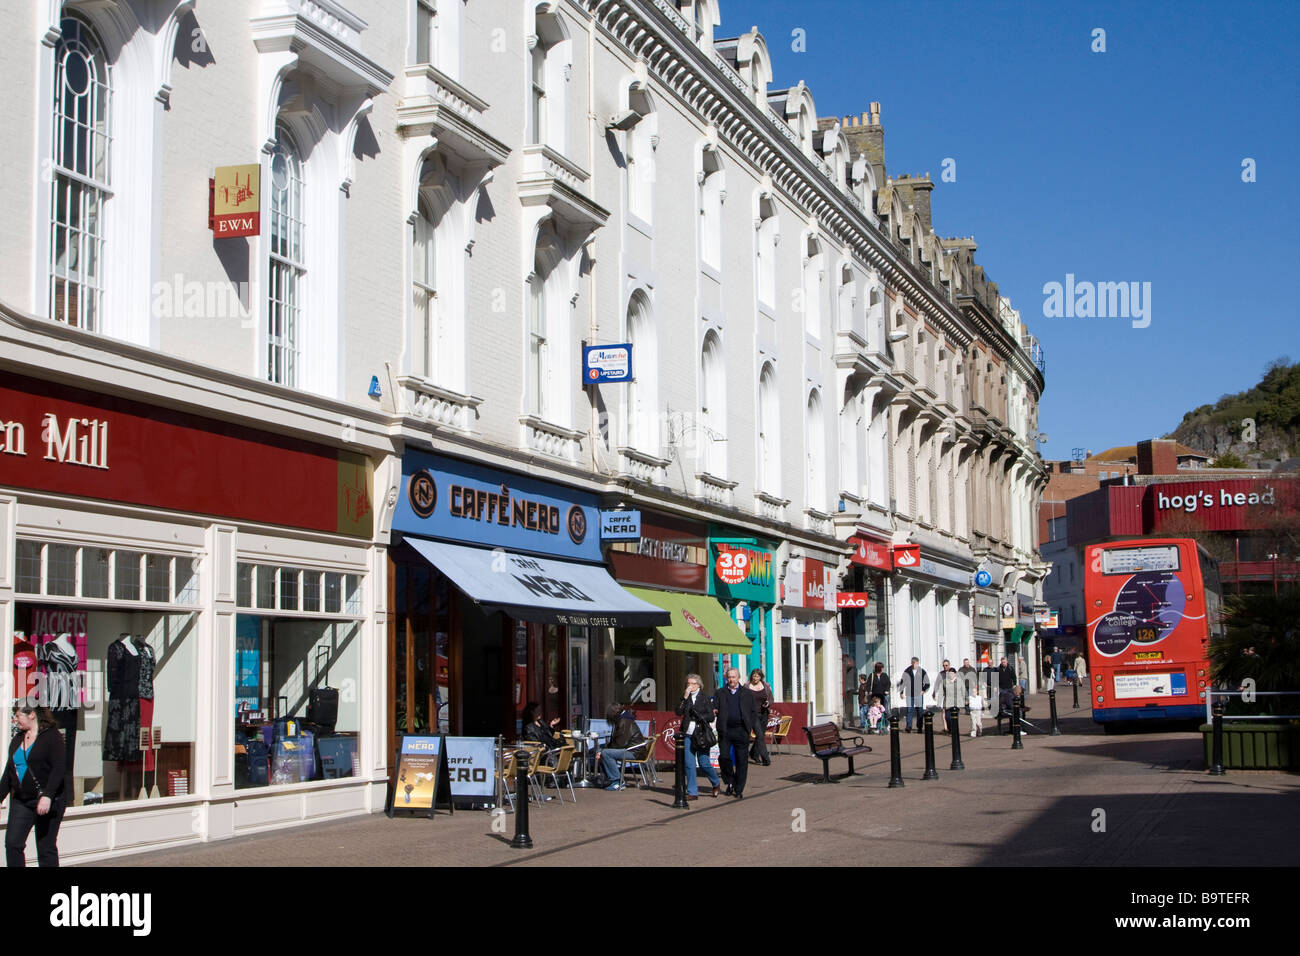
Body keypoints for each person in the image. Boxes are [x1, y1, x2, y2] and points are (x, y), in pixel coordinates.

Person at [1, 704, 67, 867]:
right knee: (13, 844)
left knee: (45, 847)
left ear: (31, 715)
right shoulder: (18, 739)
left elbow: (58, 768)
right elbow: (9, 773)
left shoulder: (52, 737)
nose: (15, 719)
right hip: (22, 800)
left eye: (18, 716)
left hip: (47, 801)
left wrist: (48, 795)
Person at [714, 668, 760, 799]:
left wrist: (748, 726)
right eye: (729, 677)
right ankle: (730, 781)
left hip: (741, 730)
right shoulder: (720, 693)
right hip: (725, 730)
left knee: (741, 761)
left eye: (733, 677)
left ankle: (739, 788)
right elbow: (714, 707)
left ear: (738, 678)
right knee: (723, 757)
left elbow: (753, 712)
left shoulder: (747, 693)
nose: (731, 679)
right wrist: (713, 711)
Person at [675, 674, 720, 799]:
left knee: (704, 763)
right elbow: (678, 712)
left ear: (699, 685)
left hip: (701, 734)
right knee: (689, 764)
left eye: (693, 684)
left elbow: (711, 716)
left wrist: (700, 717)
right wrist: (684, 697)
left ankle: (715, 782)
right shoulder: (686, 698)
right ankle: (692, 792)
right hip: (688, 734)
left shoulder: (704, 698)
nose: (691, 686)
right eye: (688, 684)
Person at [598, 703, 646, 791]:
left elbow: (620, 743)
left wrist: (605, 750)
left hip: (634, 752)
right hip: (634, 749)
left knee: (605, 753)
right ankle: (609, 777)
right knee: (601, 750)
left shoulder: (624, 721)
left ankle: (617, 781)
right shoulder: (624, 719)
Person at [747, 670, 773, 765]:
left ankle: (754, 753)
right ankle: (766, 759)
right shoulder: (747, 686)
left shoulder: (765, 686)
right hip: (752, 714)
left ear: (760, 677)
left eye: (757, 676)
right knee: (760, 735)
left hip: (764, 713)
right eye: (754, 676)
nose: (755, 678)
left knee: (760, 735)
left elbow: (771, 698)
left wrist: (768, 703)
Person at [898, 657, 929, 733]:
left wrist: (923, 690)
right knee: (909, 710)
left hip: (918, 694)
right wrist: (901, 692)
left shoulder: (921, 671)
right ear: (912, 663)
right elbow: (902, 682)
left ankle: (919, 727)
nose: (916, 665)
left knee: (920, 710)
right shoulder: (907, 671)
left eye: (917, 663)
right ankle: (908, 726)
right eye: (915, 663)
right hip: (909, 694)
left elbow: (927, 683)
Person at [934, 660, 962, 732]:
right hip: (945, 694)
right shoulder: (941, 674)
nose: (945, 667)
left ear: (949, 665)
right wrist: (934, 692)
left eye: (946, 665)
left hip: (954, 697)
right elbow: (937, 683)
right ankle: (946, 727)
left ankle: (953, 727)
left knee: (954, 712)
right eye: (943, 665)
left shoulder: (953, 672)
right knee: (944, 712)